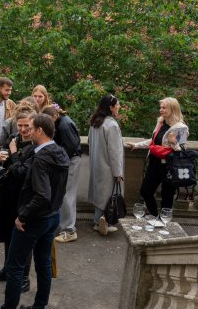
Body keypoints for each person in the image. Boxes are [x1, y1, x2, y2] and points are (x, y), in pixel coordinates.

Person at [1, 113, 69, 309]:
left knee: (14, 267)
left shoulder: (41, 158)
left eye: (30, 127)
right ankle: (39, 306)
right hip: (52, 217)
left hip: (34, 220)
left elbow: (42, 195)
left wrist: (23, 216)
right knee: (43, 263)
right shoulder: (60, 152)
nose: (26, 131)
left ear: (40, 130)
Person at [0, 111, 35, 292]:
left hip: (24, 195)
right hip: (8, 192)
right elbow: (5, 160)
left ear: (33, 125)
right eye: (20, 125)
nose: (22, 129)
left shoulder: (36, 145)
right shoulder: (14, 138)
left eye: (26, 126)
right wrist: (1, 160)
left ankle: (23, 277)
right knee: (8, 233)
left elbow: (22, 172)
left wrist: (13, 154)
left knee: (23, 236)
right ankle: (8, 270)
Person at [128, 97, 189, 217]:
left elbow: (182, 150)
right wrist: (137, 145)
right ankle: (155, 216)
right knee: (145, 191)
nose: (161, 109)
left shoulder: (181, 127)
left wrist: (173, 142)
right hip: (155, 162)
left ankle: (163, 222)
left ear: (173, 109)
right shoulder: (161, 122)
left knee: (167, 195)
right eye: (160, 107)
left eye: (164, 107)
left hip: (169, 165)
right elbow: (154, 141)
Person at [43, 106, 83, 243]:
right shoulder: (62, 122)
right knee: (64, 193)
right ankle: (64, 226)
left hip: (70, 162)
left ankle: (69, 230)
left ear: (54, 117)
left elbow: (72, 146)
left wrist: (58, 161)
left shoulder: (64, 125)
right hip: (68, 161)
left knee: (67, 194)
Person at [88, 94, 124, 235]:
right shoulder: (112, 125)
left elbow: (91, 144)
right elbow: (114, 152)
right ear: (111, 107)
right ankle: (102, 222)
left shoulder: (95, 122)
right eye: (117, 104)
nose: (119, 106)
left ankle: (99, 220)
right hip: (108, 167)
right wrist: (118, 173)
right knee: (108, 196)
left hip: (97, 164)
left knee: (100, 194)